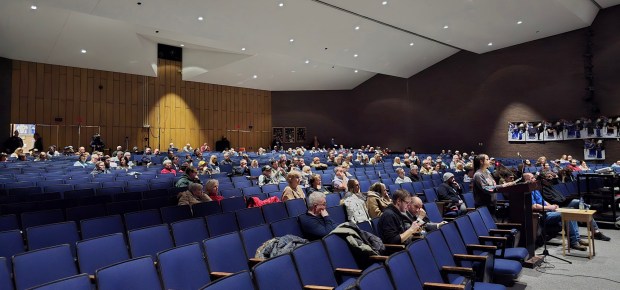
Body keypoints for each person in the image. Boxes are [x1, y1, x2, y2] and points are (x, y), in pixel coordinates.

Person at [523, 173, 589, 251]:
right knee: (566, 215)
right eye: (532, 178)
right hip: (541, 215)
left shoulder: (535, 188)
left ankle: (577, 239)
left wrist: (552, 206)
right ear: (526, 180)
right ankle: (574, 242)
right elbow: (534, 206)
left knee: (570, 213)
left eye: (534, 177)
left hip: (547, 211)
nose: (535, 179)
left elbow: (543, 201)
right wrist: (549, 207)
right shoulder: (527, 190)